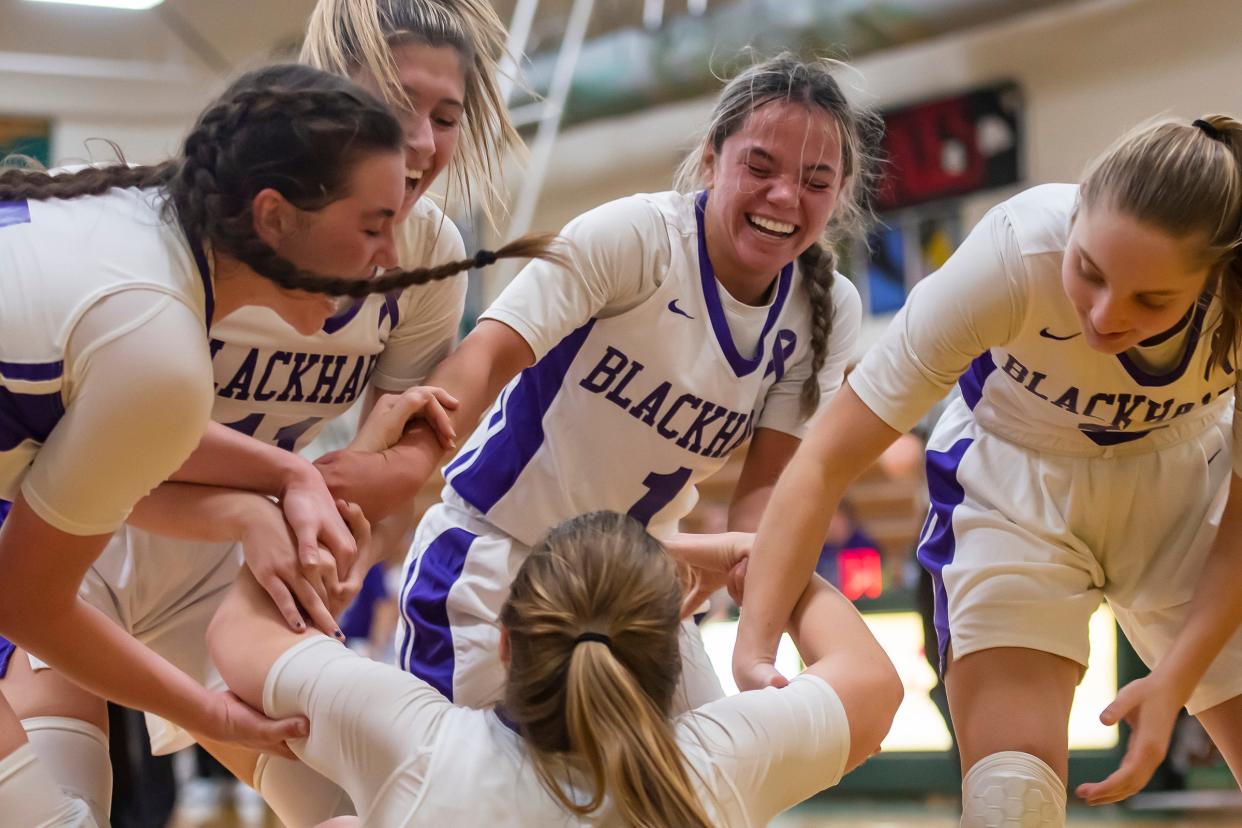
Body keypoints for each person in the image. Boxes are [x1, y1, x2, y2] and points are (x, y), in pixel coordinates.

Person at [0, 60, 551, 825]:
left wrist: (294, 474)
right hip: (78, 563)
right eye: (371, 226)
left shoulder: (140, 218)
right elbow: (25, 598)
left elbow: (111, 431)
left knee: (344, 799)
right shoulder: (158, 341)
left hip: (185, 562)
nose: (390, 257)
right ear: (272, 215)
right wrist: (209, 714)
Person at [731, 115, 1242, 825]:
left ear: (1216, 277)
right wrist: (753, 650)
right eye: (1088, 271)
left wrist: (1178, 676)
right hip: (1014, 487)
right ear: (1076, 211)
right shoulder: (1013, 252)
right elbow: (823, 460)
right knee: (1011, 799)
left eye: (1151, 300)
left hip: (1186, 485)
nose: (1102, 314)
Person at [350, 52, 879, 711]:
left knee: (704, 801)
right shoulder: (636, 237)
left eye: (815, 181)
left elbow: (767, 491)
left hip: (642, 580)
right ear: (712, 159)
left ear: (839, 196)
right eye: (761, 166)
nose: (783, 196)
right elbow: (484, 357)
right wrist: (391, 472)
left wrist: (757, 638)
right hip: (500, 561)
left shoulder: (829, 310)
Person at [207, 508, 903, 827]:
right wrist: (756, 556)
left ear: (504, 642)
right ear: (673, 653)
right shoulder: (715, 765)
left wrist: (279, 513)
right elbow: (872, 682)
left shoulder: (416, 744)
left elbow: (233, 637)